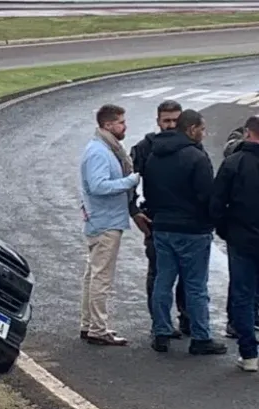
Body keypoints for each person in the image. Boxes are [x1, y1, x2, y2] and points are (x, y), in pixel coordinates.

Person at [142, 109, 227, 355]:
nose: (204, 133)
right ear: (191, 129)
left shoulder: (154, 156)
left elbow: (150, 192)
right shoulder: (196, 158)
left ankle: (161, 332)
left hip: (163, 226)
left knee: (163, 280)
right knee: (196, 285)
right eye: (202, 129)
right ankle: (201, 337)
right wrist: (213, 220)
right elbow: (206, 196)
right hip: (192, 230)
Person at [78, 104, 141, 346]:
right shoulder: (99, 152)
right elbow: (98, 186)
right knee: (101, 277)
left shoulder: (104, 148)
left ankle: (89, 324)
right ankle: (98, 328)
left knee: (93, 275)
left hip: (102, 219)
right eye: (121, 122)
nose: (125, 126)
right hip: (105, 222)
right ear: (108, 125)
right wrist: (130, 181)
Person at [129, 100, 191, 338]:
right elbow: (129, 182)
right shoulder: (144, 148)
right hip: (155, 219)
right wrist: (134, 211)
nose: (171, 125)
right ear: (158, 122)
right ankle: (160, 323)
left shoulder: (192, 146)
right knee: (158, 273)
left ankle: (187, 319)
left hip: (186, 221)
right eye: (167, 120)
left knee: (188, 275)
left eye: (175, 120)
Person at [211, 115, 259, 371]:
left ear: (248, 133)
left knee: (242, 293)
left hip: (240, 238)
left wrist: (224, 230)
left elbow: (217, 203)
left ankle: (249, 353)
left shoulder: (233, 163)